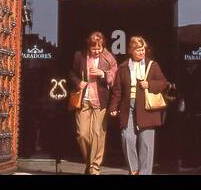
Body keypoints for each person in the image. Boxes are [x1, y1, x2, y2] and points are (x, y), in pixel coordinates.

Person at [109, 34, 169, 176]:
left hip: (146, 108)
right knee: (127, 138)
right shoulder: (123, 68)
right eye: (138, 50)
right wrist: (113, 107)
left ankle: (145, 173)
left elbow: (163, 84)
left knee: (146, 144)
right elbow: (117, 90)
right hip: (127, 107)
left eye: (143, 49)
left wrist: (150, 84)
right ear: (131, 50)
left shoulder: (152, 65)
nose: (141, 52)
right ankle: (134, 170)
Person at [69, 31, 117, 175]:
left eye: (99, 48)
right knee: (82, 134)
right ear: (89, 46)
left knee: (97, 134)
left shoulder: (109, 58)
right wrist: (79, 82)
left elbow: (114, 76)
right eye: (94, 48)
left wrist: (102, 74)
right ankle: (89, 163)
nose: (96, 51)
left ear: (103, 46)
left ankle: (94, 167)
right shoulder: (80, 56)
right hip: (83, 99)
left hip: (101, 101)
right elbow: (71, 73)